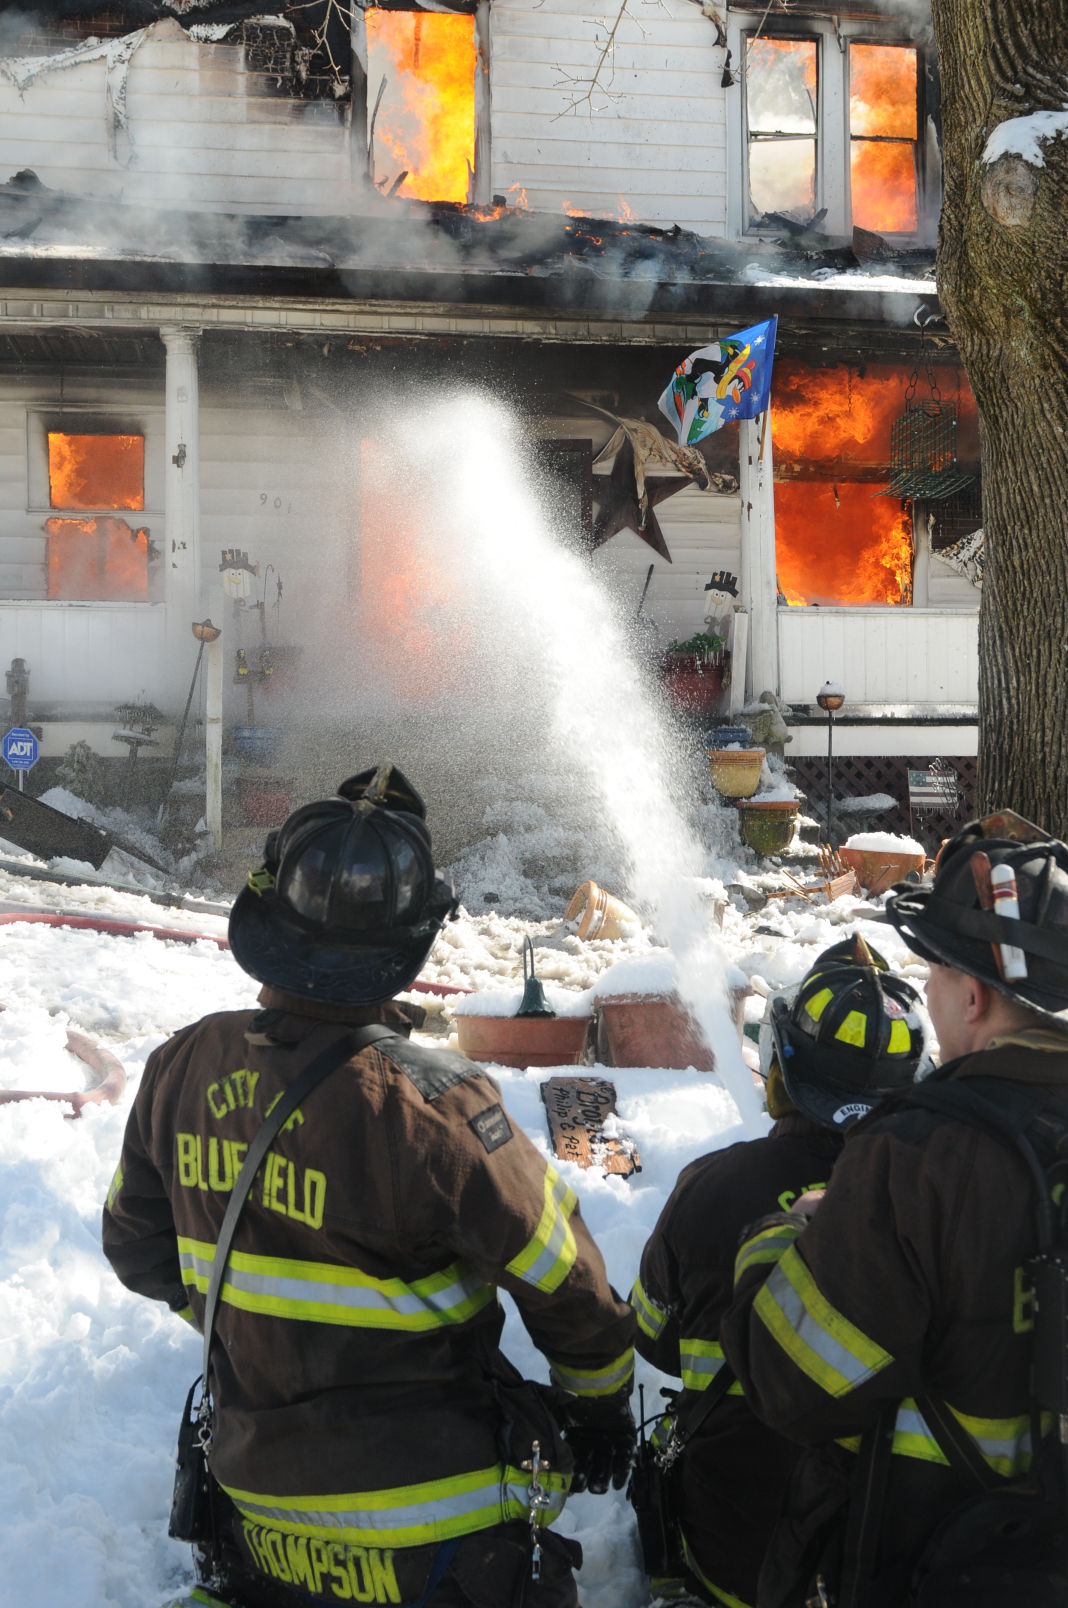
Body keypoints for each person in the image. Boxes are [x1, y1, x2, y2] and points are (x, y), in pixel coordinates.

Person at [102, 764, 637, 1608]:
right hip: (436, 1542)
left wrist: (242, 1322)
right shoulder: (437, 1106)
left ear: (271, 919)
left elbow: (135, 1247)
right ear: (412, 942)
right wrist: (602, 1411)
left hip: (259, 1520)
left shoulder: (182, 1066)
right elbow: (565, 1282)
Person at [720, 815, 1068, 1608]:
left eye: (935, 976)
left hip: (942, 1564)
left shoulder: (918, 1159)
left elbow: (791, 1383)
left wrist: (791, 1231)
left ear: (973, 997)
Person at [629, 935, 930, 1608]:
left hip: (732, 1556)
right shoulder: (939, 1200)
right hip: (877, 1566)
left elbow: (652, 1338)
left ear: (779, 1069)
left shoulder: (709, 1186)